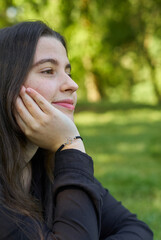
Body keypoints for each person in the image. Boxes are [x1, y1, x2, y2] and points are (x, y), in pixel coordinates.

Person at [0, 20, 153, 240]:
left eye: (67, 71)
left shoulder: (48, 163)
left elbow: (136, 229)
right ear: (6, 85)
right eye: (48, 71)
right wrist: (71, 145)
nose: (72, 84)